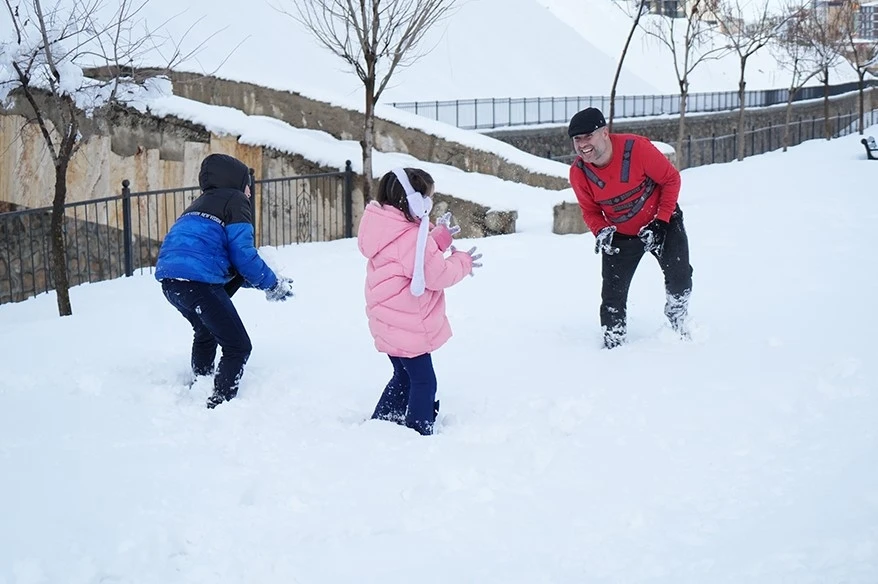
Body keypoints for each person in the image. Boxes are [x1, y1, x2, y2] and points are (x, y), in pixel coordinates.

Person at [155, 153, 294, 409]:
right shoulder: (235, 200)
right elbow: (243, 254)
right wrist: (272, 284)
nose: (250, 192)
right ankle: (220, 403)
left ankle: (202, 380)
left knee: (206, 330)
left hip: (171, 281)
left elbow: (221, 261)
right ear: (236, 182)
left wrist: (260, 280)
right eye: (248, 184)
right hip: (198, 283)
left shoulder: (198, 205)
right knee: (238, 346)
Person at [357, 167, 482, 435]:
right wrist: (463, 261)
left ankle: (383, 422)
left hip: (388, 321)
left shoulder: (384, 227)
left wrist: (439, 239)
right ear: (412, 202)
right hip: (407, 325)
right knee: (424, 381)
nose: (429, 205)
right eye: (427, 198)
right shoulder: (414, 237)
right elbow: (436, 274)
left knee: (403, 376)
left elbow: (410, 255)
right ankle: (418, 431)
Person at [566, 107, 693, 349]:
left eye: (587, 136)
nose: (582, 144)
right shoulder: (579, 173)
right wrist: (601, 230)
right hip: (620, 236)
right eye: (577, 139)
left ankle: (678, 325)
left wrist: (661, 220)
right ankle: (614, 346)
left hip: (662, 223)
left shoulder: (637, 149)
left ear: (604, 132)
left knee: (680, 279)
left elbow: (671, 179)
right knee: (612, 299)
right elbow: (590, 210)